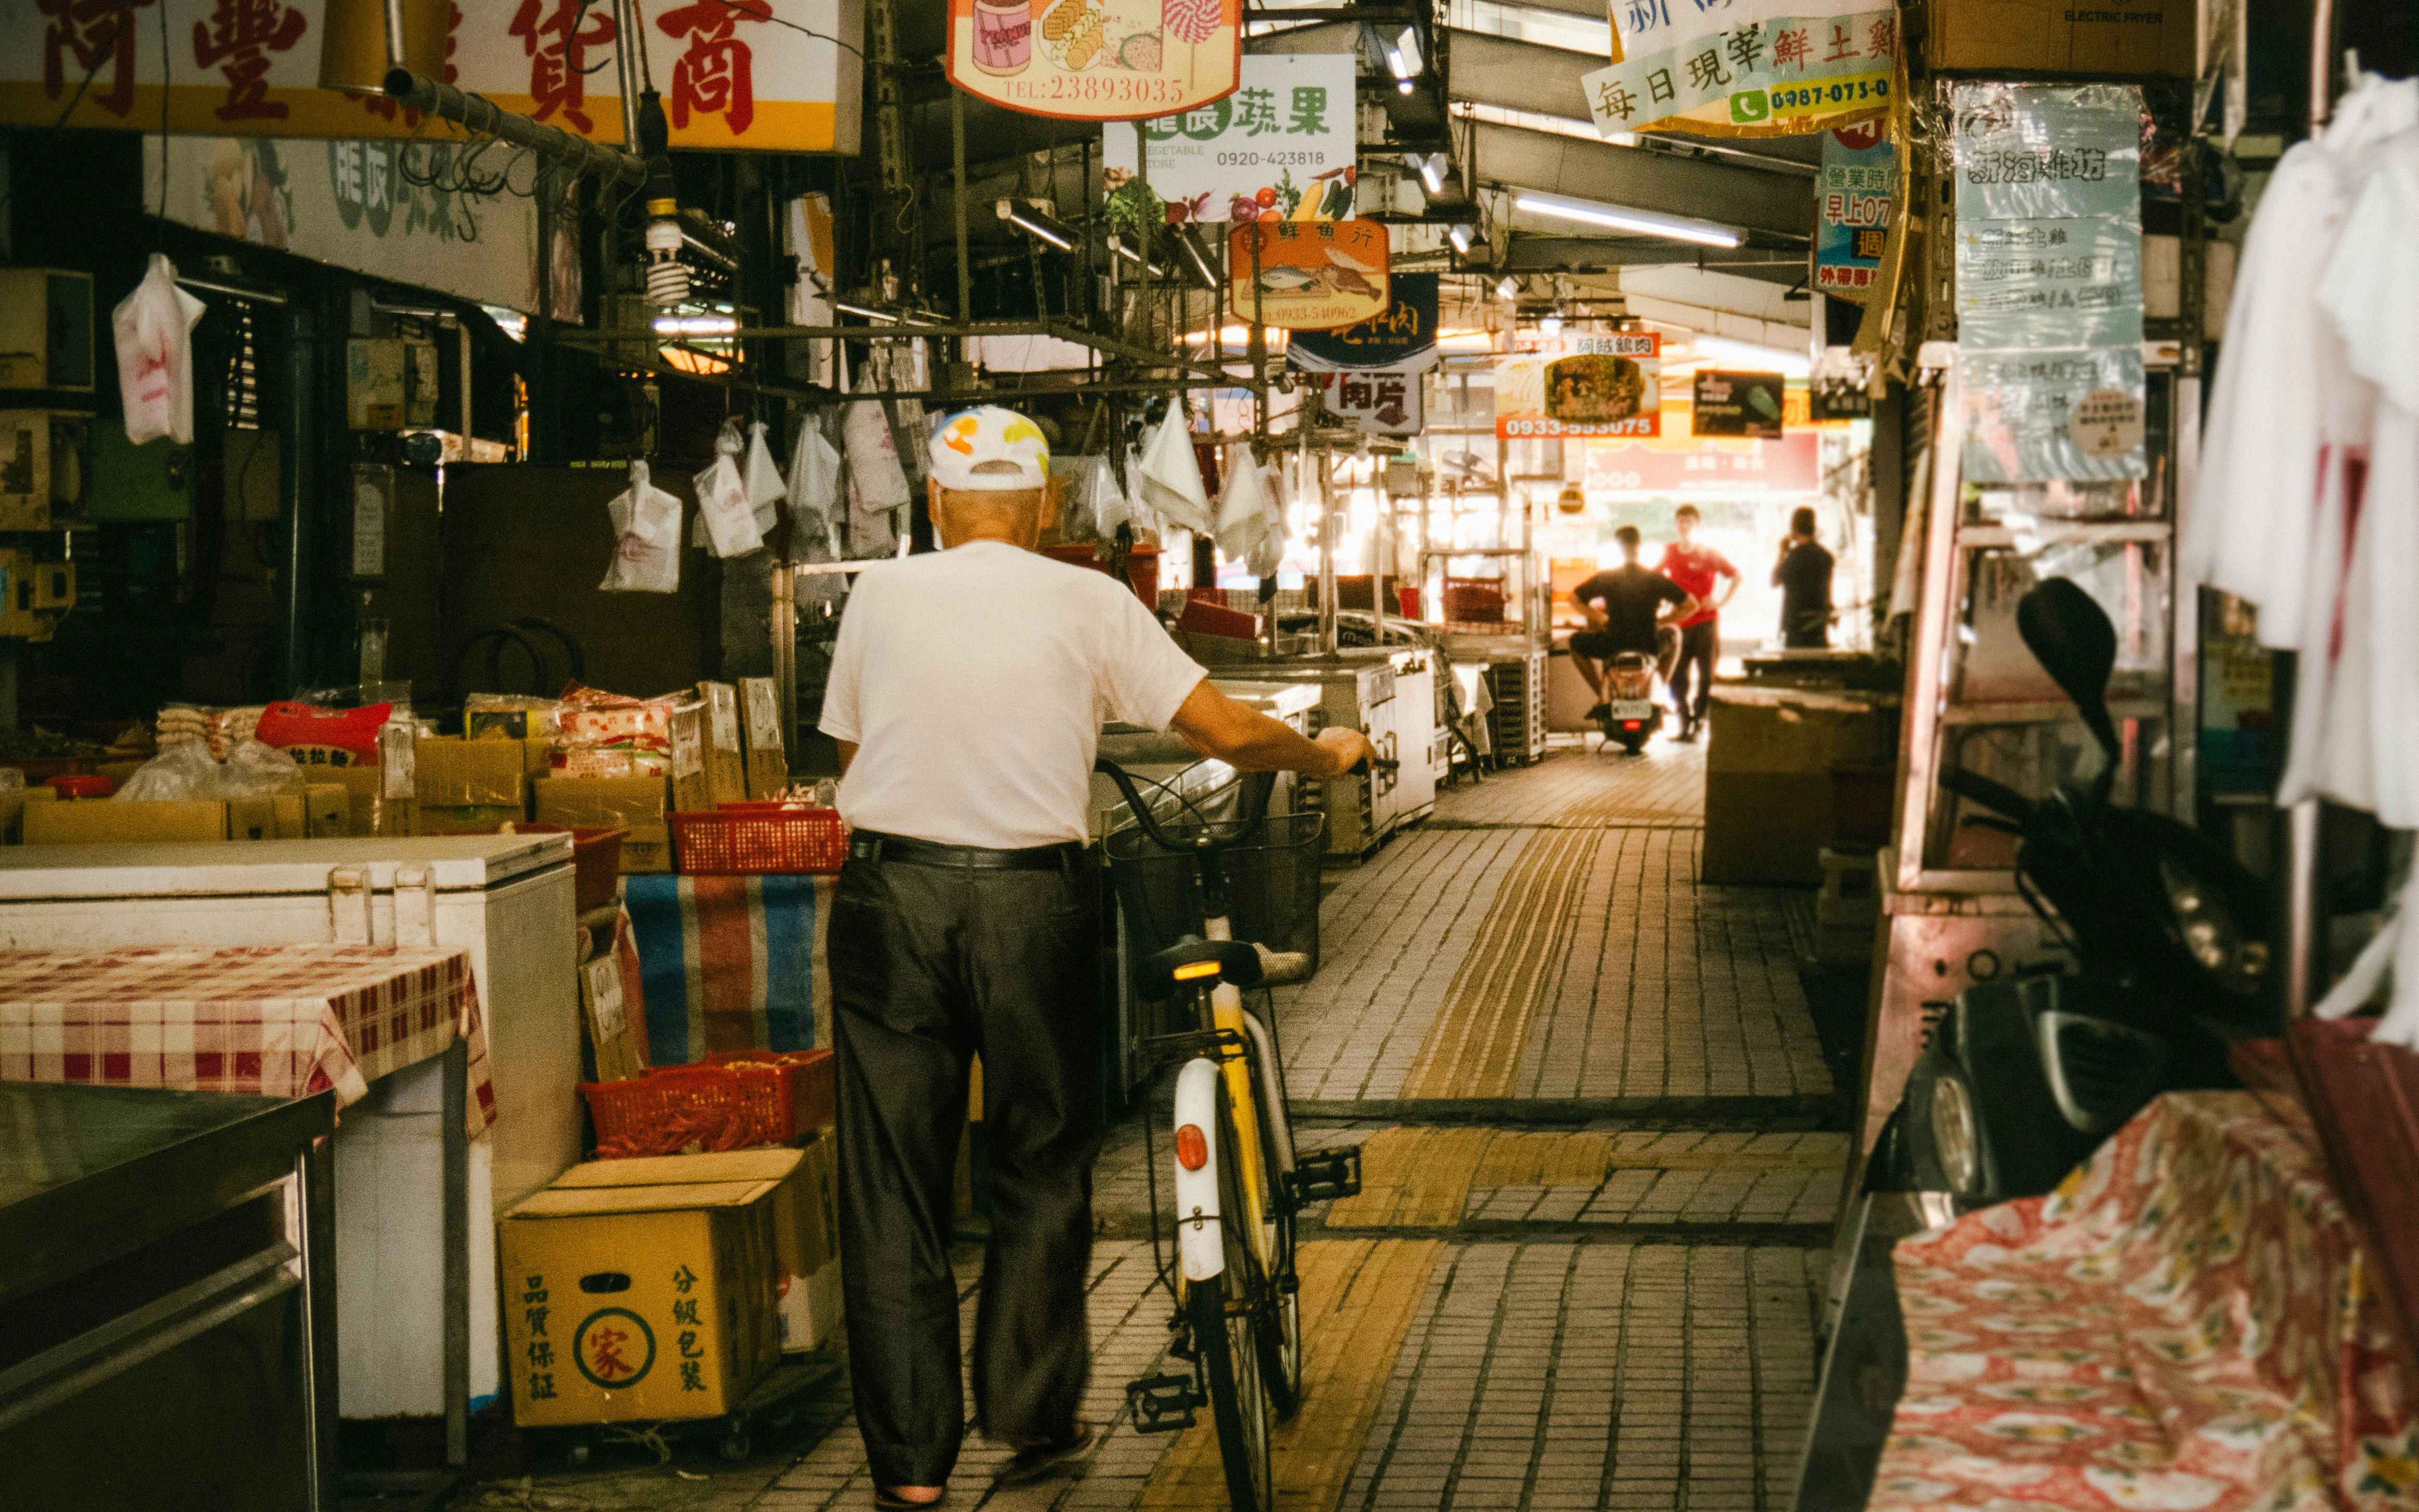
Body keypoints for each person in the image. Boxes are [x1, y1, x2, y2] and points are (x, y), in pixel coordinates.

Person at [818, 405, 1377, 1510]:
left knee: (893, 1182)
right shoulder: (1088, 597)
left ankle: (912, 1474)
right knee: (1039, 1153)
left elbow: (852, 747)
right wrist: (1321, 754)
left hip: (891, 895)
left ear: (933, 503)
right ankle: (1029, 1417)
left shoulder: (878, 595)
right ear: (1042, 507)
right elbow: (1218, 729)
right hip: (1033, 902)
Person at [1569, 524, 1701, 719]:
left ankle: (1602, 696)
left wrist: (1601, 618)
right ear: (1640, 545)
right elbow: (1691, 605)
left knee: (1574, 642)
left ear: (1619, 547)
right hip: (1648, 644)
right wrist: (1664, 621)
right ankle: (1659, 690)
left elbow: (1573, 598)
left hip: (1613, 643)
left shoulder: (1608, 577)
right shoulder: (1655, 578)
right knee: (1676, 634)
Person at [1654, 504, 1739, 742]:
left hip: (1706, 623)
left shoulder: (1709, 553)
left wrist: (1720, 602)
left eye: (1689, 521)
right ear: (1676, 524)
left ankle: (1699, 721)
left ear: (1697, 525)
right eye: (1681, 521)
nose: (1684, 526)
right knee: (1677, 675)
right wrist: (1660, 603)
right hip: (1681, 624)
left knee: (1707, 677)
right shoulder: (1670, 551)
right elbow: (1655, 577)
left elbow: (1736, 575)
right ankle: (1684, 721)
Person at [1773, 506, 1836, 649]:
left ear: (1793, 528)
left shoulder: (1795, 557)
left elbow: (1775, 580)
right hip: (1819, 626)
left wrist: (1782, 553)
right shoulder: (1826, 557)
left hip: (1796, 627)